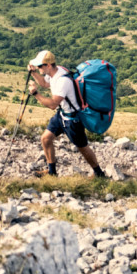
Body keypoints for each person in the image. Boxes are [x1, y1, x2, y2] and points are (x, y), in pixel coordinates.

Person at [27, 50, 106, 179]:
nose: (38, 68)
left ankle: (99, 173)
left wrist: (36, 94)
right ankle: (52, 172)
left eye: (40, 66)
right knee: (45, 139)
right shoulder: (56, 72)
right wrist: (34, 73)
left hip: (72, 119)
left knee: (83, 148)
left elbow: (52, 104)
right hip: (62, 114)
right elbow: (45, 84)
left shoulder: (62, 81)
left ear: (48, 65)